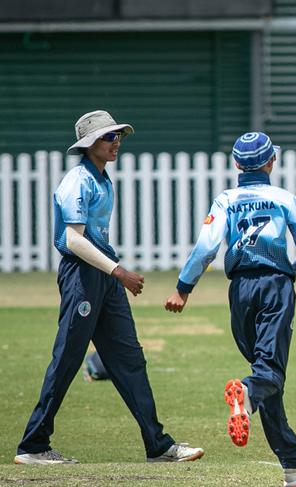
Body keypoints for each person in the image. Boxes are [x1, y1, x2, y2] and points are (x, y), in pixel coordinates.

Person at [14, 110, 204, 465]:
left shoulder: (102, 180)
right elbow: (73, 240)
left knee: (129, 359)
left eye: (118, 137)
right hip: (83, 277)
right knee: (68, 358)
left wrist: (113, 275)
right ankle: (33, 445)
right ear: (90, 144)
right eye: (109, 137)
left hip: (104, 278)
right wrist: (119, 272)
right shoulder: (78, 181)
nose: (117, 143)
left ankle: (158, 445)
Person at [164, 132, 296, 487]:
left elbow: (205, 248)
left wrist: (183, 289)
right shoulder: (284, 199)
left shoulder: (225, 200)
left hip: (240, 291)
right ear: (271, 162)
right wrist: (287, 272)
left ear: (236, 165)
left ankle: (294, 465)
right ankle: (246, 391)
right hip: (275, 286)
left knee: (266, 373)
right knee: (267, 374)